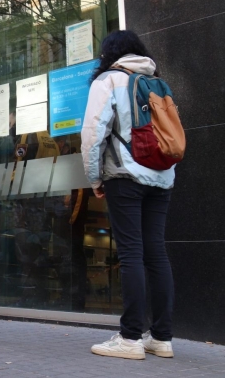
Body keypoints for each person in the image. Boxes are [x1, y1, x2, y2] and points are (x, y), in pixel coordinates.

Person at [81, 30, 176, 360]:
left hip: (125, 176)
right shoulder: (156, 80)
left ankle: (130, 338)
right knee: (156, 254)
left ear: (109, 54)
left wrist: (94, 178)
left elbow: (93, 133)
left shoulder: (108, 80)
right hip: (161, 177)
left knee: (132, 254)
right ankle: (161, 338)